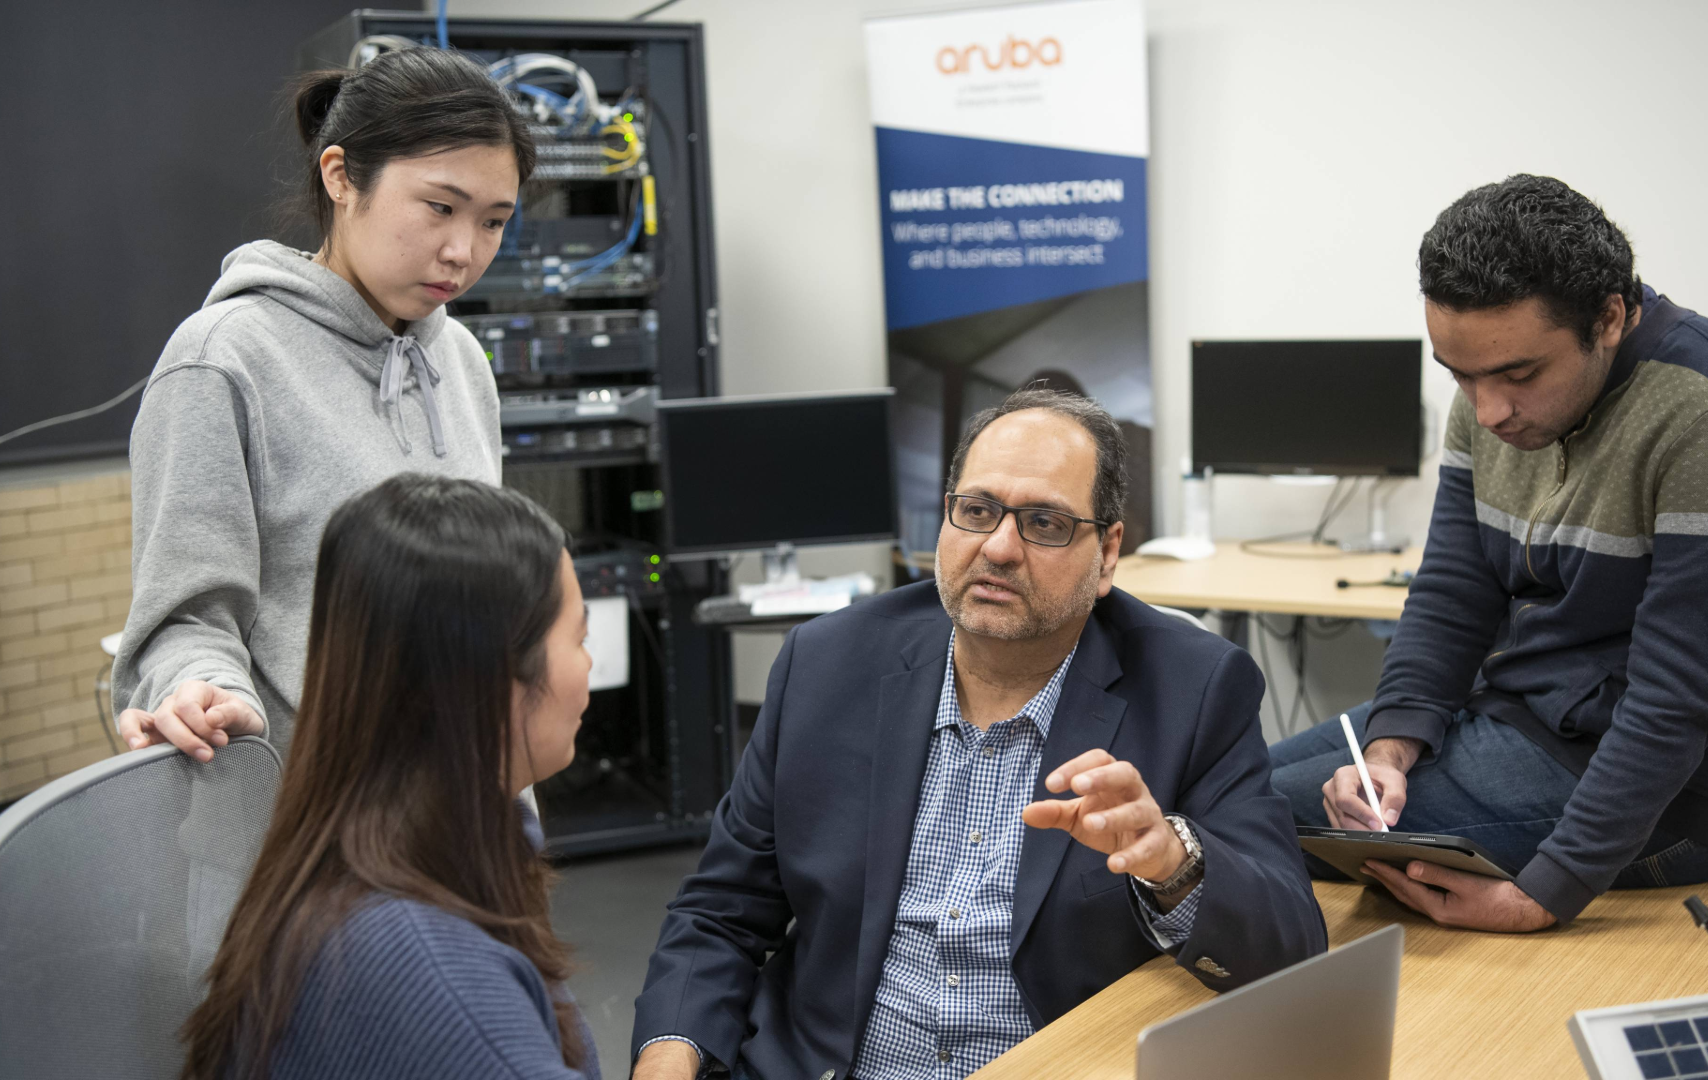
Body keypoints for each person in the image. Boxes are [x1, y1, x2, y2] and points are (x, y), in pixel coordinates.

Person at [631, 389, 1325, 1080]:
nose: (998, 547)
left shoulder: (1193, 690)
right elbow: (721, 912)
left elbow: (1289, 948)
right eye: (977, 511)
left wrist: (1174, 866)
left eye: (1045, 523)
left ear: (1108, 553)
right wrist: (667, 1055)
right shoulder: (826, 664)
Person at [1270, 175, 1708, 932]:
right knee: (1231, 777)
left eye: (1518, 375)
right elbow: (1453, 592)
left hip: (1681, 803)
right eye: (1460, 376)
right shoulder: (1490, 386)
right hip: (1520, 721)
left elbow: (1674, 703)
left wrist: (1546, 893)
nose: (1488, 411)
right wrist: (1391, 749)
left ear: (1609, 317)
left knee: (1235, 815)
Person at [114, 47, 534, 758]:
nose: (463, 251)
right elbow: (183, 622)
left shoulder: (459, 359)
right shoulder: (222, 360)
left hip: (461, 795)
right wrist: (200, 687)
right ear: (341, 177)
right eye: (439, 207)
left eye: (493, 221)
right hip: (307, 824)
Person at [179, 474, 596, 1080]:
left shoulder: (368, 855)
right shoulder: (431, 978)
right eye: (579, 637)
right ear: (492, 678)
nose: (590, 664)